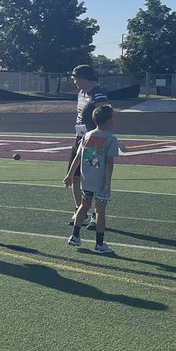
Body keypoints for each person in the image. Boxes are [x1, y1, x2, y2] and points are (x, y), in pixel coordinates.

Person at [64, 104, 119, 255]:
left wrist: (69, 174)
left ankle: (75, 235)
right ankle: (100, 244)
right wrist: (107, 183)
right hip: (100, 181)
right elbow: (109, 163)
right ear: (108, 121)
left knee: (83, 206)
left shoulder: (87, 136)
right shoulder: (111, 139)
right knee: (100, 211)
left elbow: (78, 156)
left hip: (86, 179)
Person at [66, 65, 109, 230]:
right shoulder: (81, 93)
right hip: (79, 139)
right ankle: (80, 210)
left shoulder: (98, 94)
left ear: (84, 78)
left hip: (94, 141)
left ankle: (94, 214)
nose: (74, 81)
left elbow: (106, 116)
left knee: (91, 179)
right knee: (74, 176)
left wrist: (106, 137)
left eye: (76, 78)